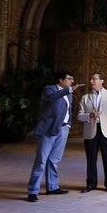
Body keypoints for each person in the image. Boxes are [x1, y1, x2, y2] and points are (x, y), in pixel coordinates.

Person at [26, 70, 81, 202]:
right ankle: (33, 191)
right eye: (69, 79)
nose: (71, 81)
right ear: (61, 80)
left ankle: (52, 186)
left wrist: (68, 125)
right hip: (48, 130)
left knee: (54, 160)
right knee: (41, 161)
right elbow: (52, 98)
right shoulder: (49, 89)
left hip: (63, 129)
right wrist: (69, 90)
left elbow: (69, 110)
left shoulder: (69, 93)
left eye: (72, 79)